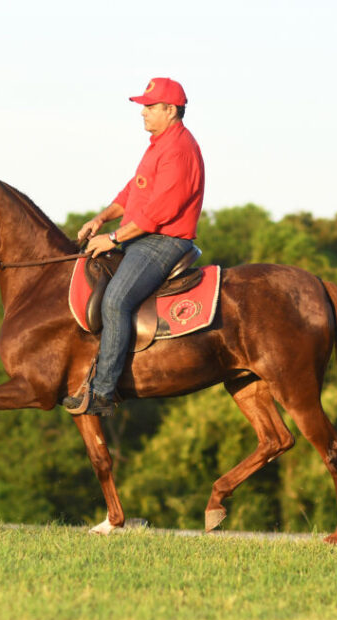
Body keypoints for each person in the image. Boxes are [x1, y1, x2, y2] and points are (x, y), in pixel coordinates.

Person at [63, 77, 205, 416]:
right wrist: (102, 218)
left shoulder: (179, 149)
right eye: (143, 106)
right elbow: (133, 192)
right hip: (142, 236)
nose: (143, 112)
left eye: (150, 106)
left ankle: (104, 393)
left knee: (114, 301)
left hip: (162, 241)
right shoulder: (160, 143)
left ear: (171, 110)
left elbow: (159, 213)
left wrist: (112, 239)